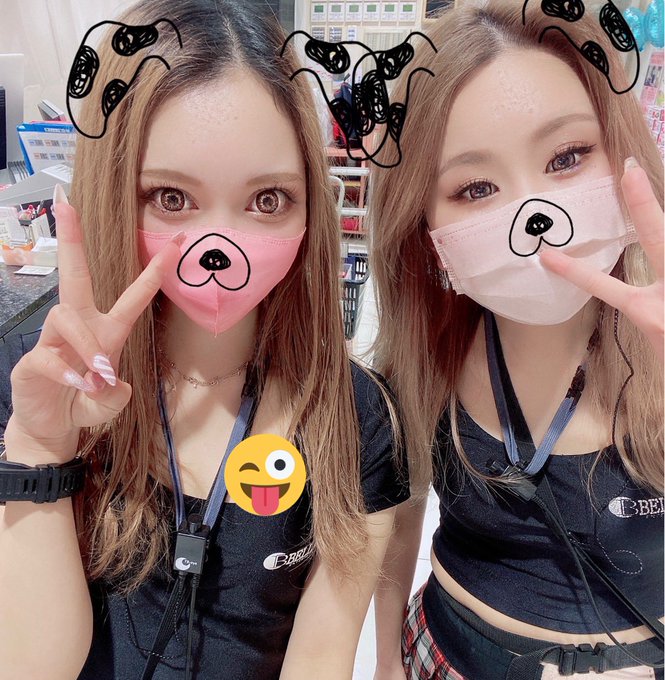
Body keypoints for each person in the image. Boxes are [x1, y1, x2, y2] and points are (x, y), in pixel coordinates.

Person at [0, 1, 410, 678]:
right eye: (171, 198)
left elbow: (320, 657)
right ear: (115, 192)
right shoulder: (35, 386)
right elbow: (31, 666)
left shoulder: (356, 417)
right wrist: (42, 448)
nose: (220, 244)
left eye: (267, 199)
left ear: (311, 206)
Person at [368, 1, 663, 679]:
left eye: (567, 156)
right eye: (475, 188)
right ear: (424, 224)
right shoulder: (428, 353)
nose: (533, 212)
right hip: (444, 653)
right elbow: (401, 516)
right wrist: (384, 663)